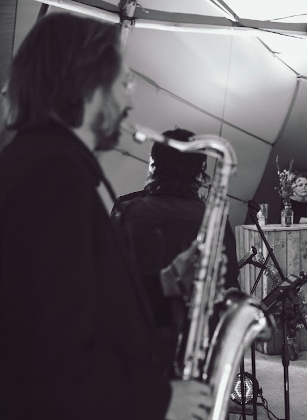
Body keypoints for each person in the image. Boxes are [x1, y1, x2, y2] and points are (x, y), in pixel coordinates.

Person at [0, 13, 208, 420]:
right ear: (85, 83)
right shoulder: (48, 178)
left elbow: (74, 303)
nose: (130, 99)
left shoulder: (47, 165)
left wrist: (163, 283)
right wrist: (159, 400)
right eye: (124, 82)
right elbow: (45, 364)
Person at [111, 127, 241, 377]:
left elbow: (106, 287)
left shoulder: (125, 214)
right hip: (195, 355)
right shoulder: (214, 221)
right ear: (200, 172)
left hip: (133, 352)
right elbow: (227, 289)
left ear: (153, 165)